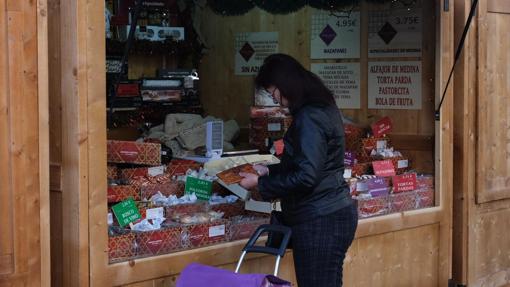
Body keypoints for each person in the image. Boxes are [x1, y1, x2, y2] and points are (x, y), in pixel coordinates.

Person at [239, 53, 358, 287]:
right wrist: (269, 171)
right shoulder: (322, 107)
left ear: (287, 84)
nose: (275, 98)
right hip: (330, 213)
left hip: (320, 220)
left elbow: (306, 177)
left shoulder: (310, 117)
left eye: (274, 91)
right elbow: (309, 162)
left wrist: (260, 185)